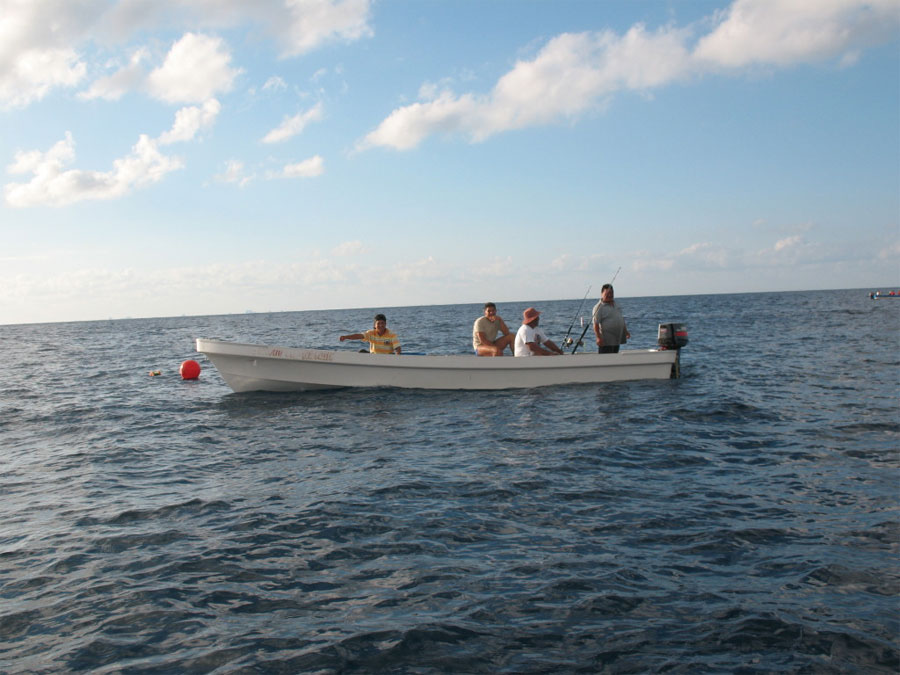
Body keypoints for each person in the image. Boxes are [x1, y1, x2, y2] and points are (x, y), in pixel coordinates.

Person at [592, 283, 629, 353]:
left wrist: (626, 331)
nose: (610, 295)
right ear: (602, 294)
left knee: (615, 359)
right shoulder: (598, 307)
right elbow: (595, 325)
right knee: (605, 361)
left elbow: (620, 319)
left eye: (611, 293)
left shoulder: (616, 304)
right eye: (607, 293)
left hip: (616, 340)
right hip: (606, 342)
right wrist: (598, 338)